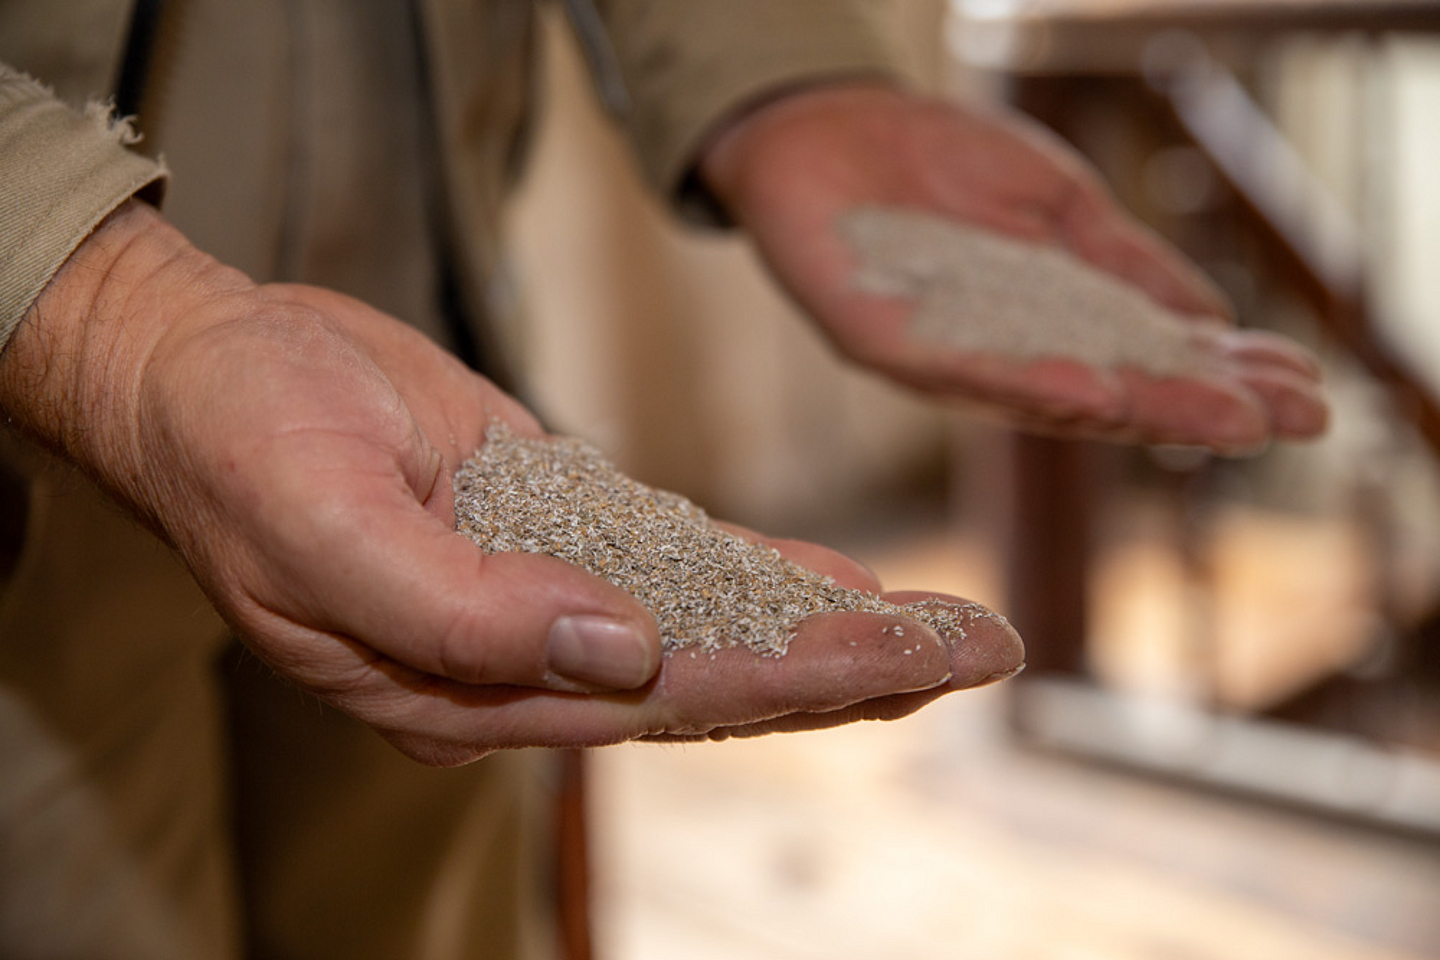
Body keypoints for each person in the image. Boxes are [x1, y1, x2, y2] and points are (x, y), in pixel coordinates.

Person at [0, 1, 1327, 958]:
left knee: (424, 899)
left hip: (421, 351)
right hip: (27, 436)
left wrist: (784, 70)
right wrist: (105, 313)